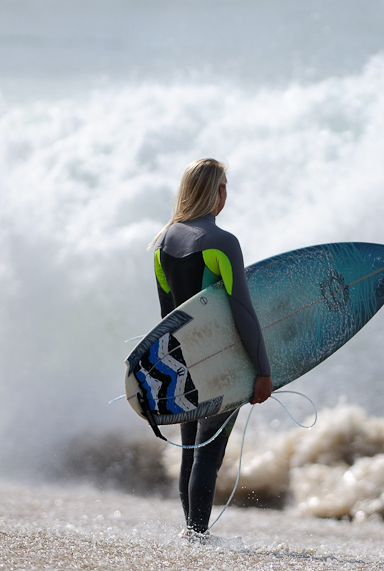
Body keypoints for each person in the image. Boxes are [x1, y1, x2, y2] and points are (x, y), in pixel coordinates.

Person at [150, 158, 273, 538]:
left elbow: (166, 318)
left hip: (182, 362)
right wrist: (263, 370)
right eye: (224, 186)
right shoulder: (222, 243)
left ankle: (191, 531)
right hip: (223, 360)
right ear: (218, 191)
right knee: (208, 453)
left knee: (191, 448)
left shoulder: (162, 243)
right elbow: (242, 312)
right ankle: (197, 535)